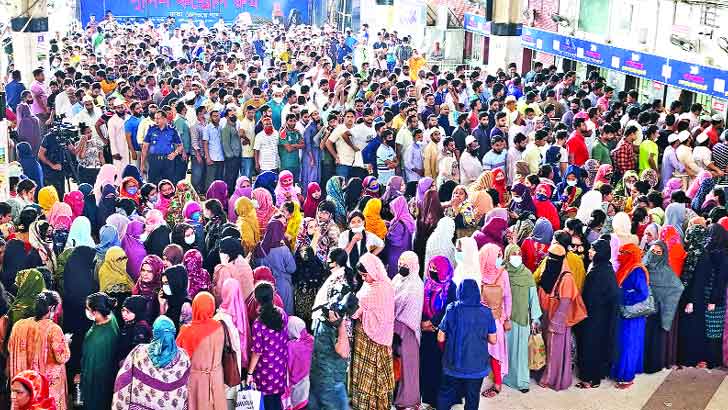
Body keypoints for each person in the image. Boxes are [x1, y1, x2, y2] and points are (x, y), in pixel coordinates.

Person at [436, 279, 497, 410]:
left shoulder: (452, 309)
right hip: (477, 366)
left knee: (446, 394)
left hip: (453, 364)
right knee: (472, 397)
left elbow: (440, 338)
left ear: (460, 292)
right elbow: (493, 339)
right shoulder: (486, 312)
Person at [112, 316, 191, 410]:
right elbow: (186, 389)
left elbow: (123, 380)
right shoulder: (183, 357)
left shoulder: (139, 352)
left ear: (154, 333)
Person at [537, 242, 587, 391]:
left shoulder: (566, 278)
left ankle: (552, 379)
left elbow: (565, 303)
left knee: (555, 351)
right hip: (547, 316)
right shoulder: (549, 269)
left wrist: (556, 323)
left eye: (554, 257)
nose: (550, 260)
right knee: (549, 348)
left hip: (557, 321)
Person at [8, 291, 70, 410]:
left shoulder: (18, 326)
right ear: (51, 308)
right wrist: (65, 341)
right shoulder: (53, 329)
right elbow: (62, 357)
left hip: (24, 386)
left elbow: (10, 348)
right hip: (45, 387)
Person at [350, 253, 395, 410]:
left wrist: (356, 309)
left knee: (373, 375)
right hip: (368, 337)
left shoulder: (381, 288)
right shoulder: (373, 285)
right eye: (361, 276)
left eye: (365, 275)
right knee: (368, 373)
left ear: (373, 271)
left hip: (374, 339)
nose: (363, 279)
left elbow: (359, 312)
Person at [502, 243, 541, 393]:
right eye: (513, 254)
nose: (517, 257)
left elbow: (533, 297)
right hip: (506, 319)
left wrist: (535, 318)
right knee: (507, 350)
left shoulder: (527, 274)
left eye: (519, 254)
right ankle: (505, 377)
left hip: (522, 319)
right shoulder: (502, 273)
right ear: (507, 256)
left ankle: (522, 382)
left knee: (521, 352)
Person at [176, 292, 226, 410]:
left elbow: (178, 357)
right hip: (216, 378)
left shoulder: (187, 331)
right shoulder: (219, 327)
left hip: (196, 381)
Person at [642, 240, 684, 374]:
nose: (654, 254)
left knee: (653, 340)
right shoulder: (643, 264)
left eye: (658, 252)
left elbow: (677, 287)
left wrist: (663, 301)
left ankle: (652, 366)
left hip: (656, 311)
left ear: (663, 255)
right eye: (652, 251)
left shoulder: (666, 270)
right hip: (641, 309)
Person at [611, 243, 649, 389]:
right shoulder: (625, 267)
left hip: (632, 315)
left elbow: (643, 293)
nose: (619, 255)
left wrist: (622, 294)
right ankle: (620, 372)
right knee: (623, 344)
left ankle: (626, 377)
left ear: (630, 255)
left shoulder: (637, 270)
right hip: (625, 313)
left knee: (629, 345)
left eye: (623, 253)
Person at [246, 282, 289, 410]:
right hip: (280, 367)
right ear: (273, 296)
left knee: (268, 403)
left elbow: (257, 352)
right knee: (277, 401)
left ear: (257, 300)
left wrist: (249, 373)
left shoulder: (258, 324)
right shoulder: (282, 314)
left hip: (265, 371)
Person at [420, 255, 456, 407]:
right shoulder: (427, 283)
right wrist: (423, 323)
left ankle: (440, 401)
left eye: (436, 268)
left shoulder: (451, 286)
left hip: (442, 334)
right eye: (431, 267)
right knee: (427, 366)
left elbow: (449, 309)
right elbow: (421, 304)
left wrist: (433, 323)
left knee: (440, 368)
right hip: (427, 333)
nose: (432, 271)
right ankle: (428, 398)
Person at [392, 251, 423, 408]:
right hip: (394, 328)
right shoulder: (397, 279)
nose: (401, 267)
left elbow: (402, 307)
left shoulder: (416, 285)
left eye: (405, 265)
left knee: (407, 366)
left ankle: (407, 400)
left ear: (413, 266)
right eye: (400, 264)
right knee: (395, 364)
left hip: (407, 329)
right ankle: (395, 396)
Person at [79, 292, 120, 410]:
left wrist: (82, 379)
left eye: (88, 308)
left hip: (95, 381)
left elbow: (89, 366)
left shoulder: (94, 338)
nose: (86, 310)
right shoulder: (111, 317)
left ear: (95, 312)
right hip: (110, 375)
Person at [254, 220, 296, 314]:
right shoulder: (283, 249)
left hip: (264, 287)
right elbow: (292, 269)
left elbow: (257, 267)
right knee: (285, 314)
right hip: (283, 285)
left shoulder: (259, 248)